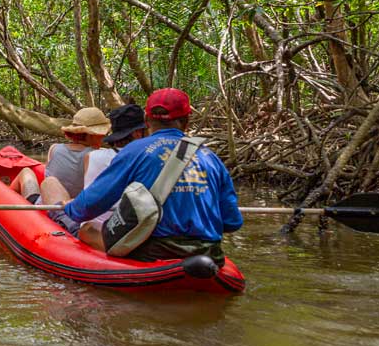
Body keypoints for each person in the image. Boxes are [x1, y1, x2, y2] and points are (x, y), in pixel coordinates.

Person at [53, 89, 242, 262]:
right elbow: (232, 222)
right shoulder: (210, 157)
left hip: (153, 251)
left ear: (147, 120)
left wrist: (69, 208)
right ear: (187, 121)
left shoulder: (135, 151)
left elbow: (87, 208)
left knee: (88, 230)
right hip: (208, 252)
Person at [15, 106, 112, 204]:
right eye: (102, 134)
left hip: (46, 205)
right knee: (26, 171)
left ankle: (6, 196)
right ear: (92, 135)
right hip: (64, 208)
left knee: (26, 171)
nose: (104, 137)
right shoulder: (98, 157)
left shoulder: (54, 148)